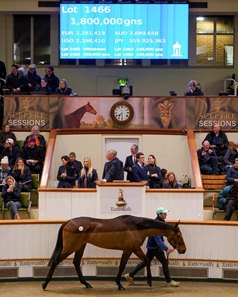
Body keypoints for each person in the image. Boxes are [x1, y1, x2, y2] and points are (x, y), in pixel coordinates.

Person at [124, 207, 180, 287]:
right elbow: (157, 239)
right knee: (164, 263)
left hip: (151, 247)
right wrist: (166, 249)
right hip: (155, 247)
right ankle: (169, 281)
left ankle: (130, 275)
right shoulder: (157, 223)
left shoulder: (158, 222)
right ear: (159, 214)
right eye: (164, 213)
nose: (166, 214)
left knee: (145, 262)